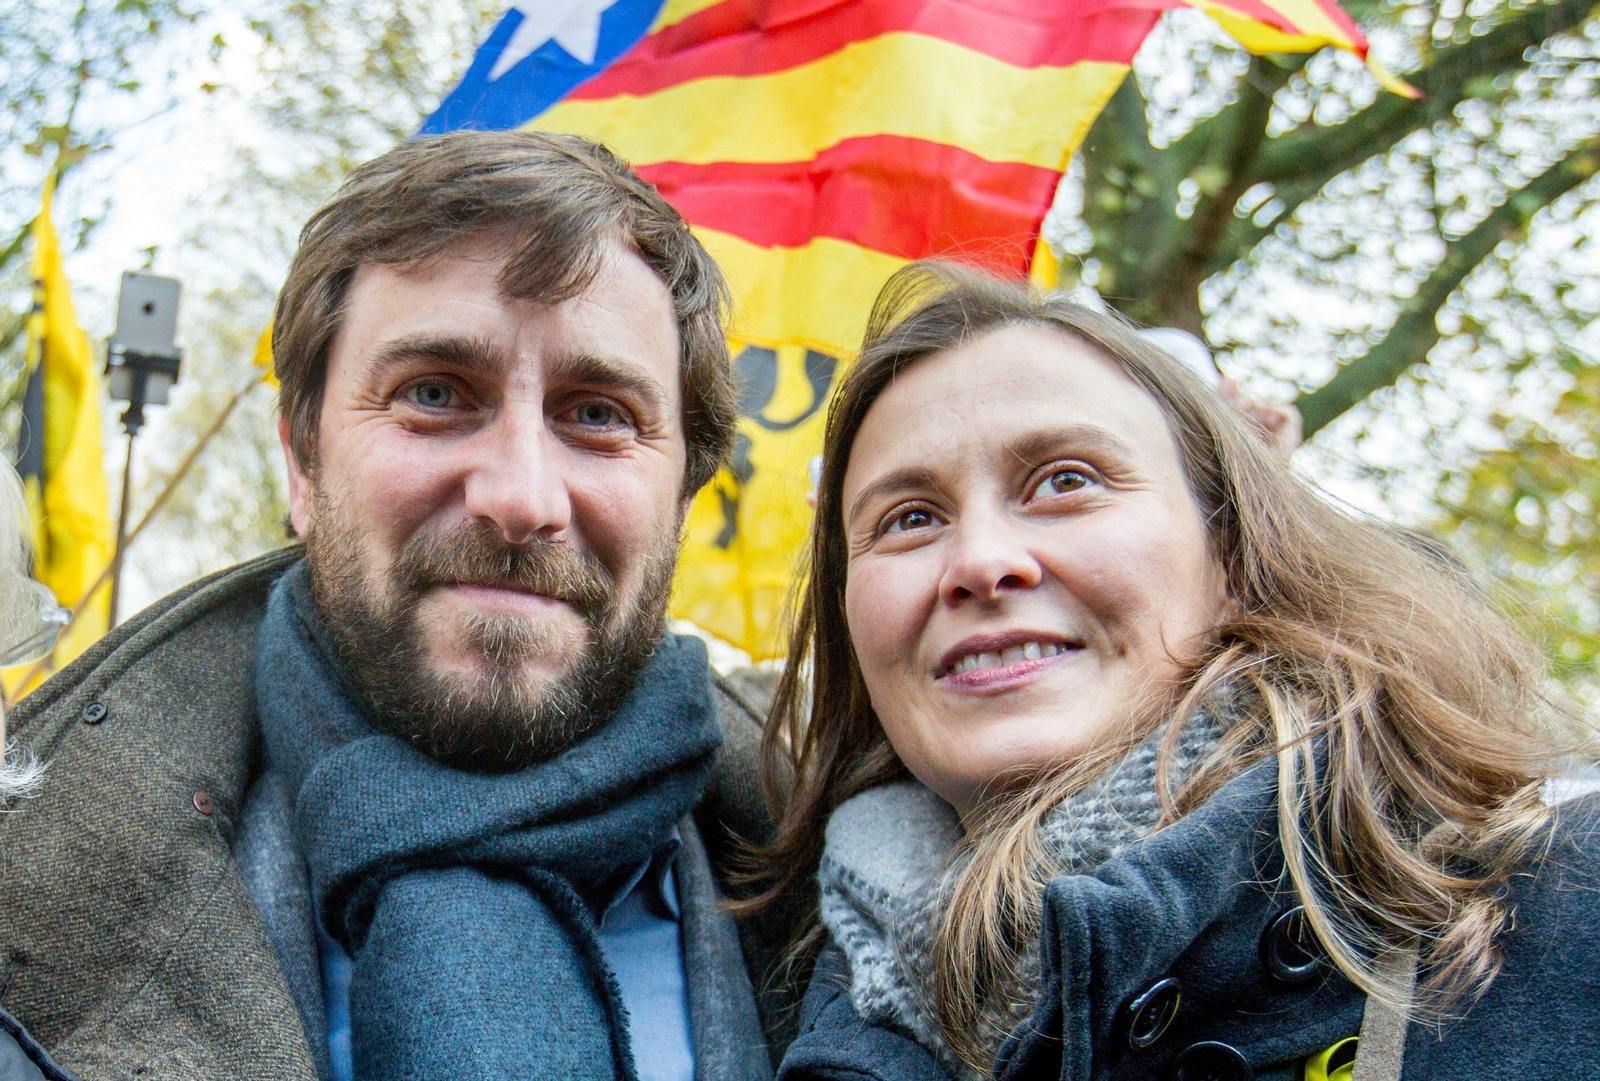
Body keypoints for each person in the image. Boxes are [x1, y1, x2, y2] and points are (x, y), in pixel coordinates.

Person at [0, 130, 792, 1081]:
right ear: (301, 459)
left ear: (685, 496)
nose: (522, 497)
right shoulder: (28, 908)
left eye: (597, 414)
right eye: (433, 392)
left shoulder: (866, 896)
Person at [755, 262, 1600, 1080]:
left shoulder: (1568, 898)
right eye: (908, 518)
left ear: (1233, 550)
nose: (980, 560)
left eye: (1065, 479)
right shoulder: (781, 999)